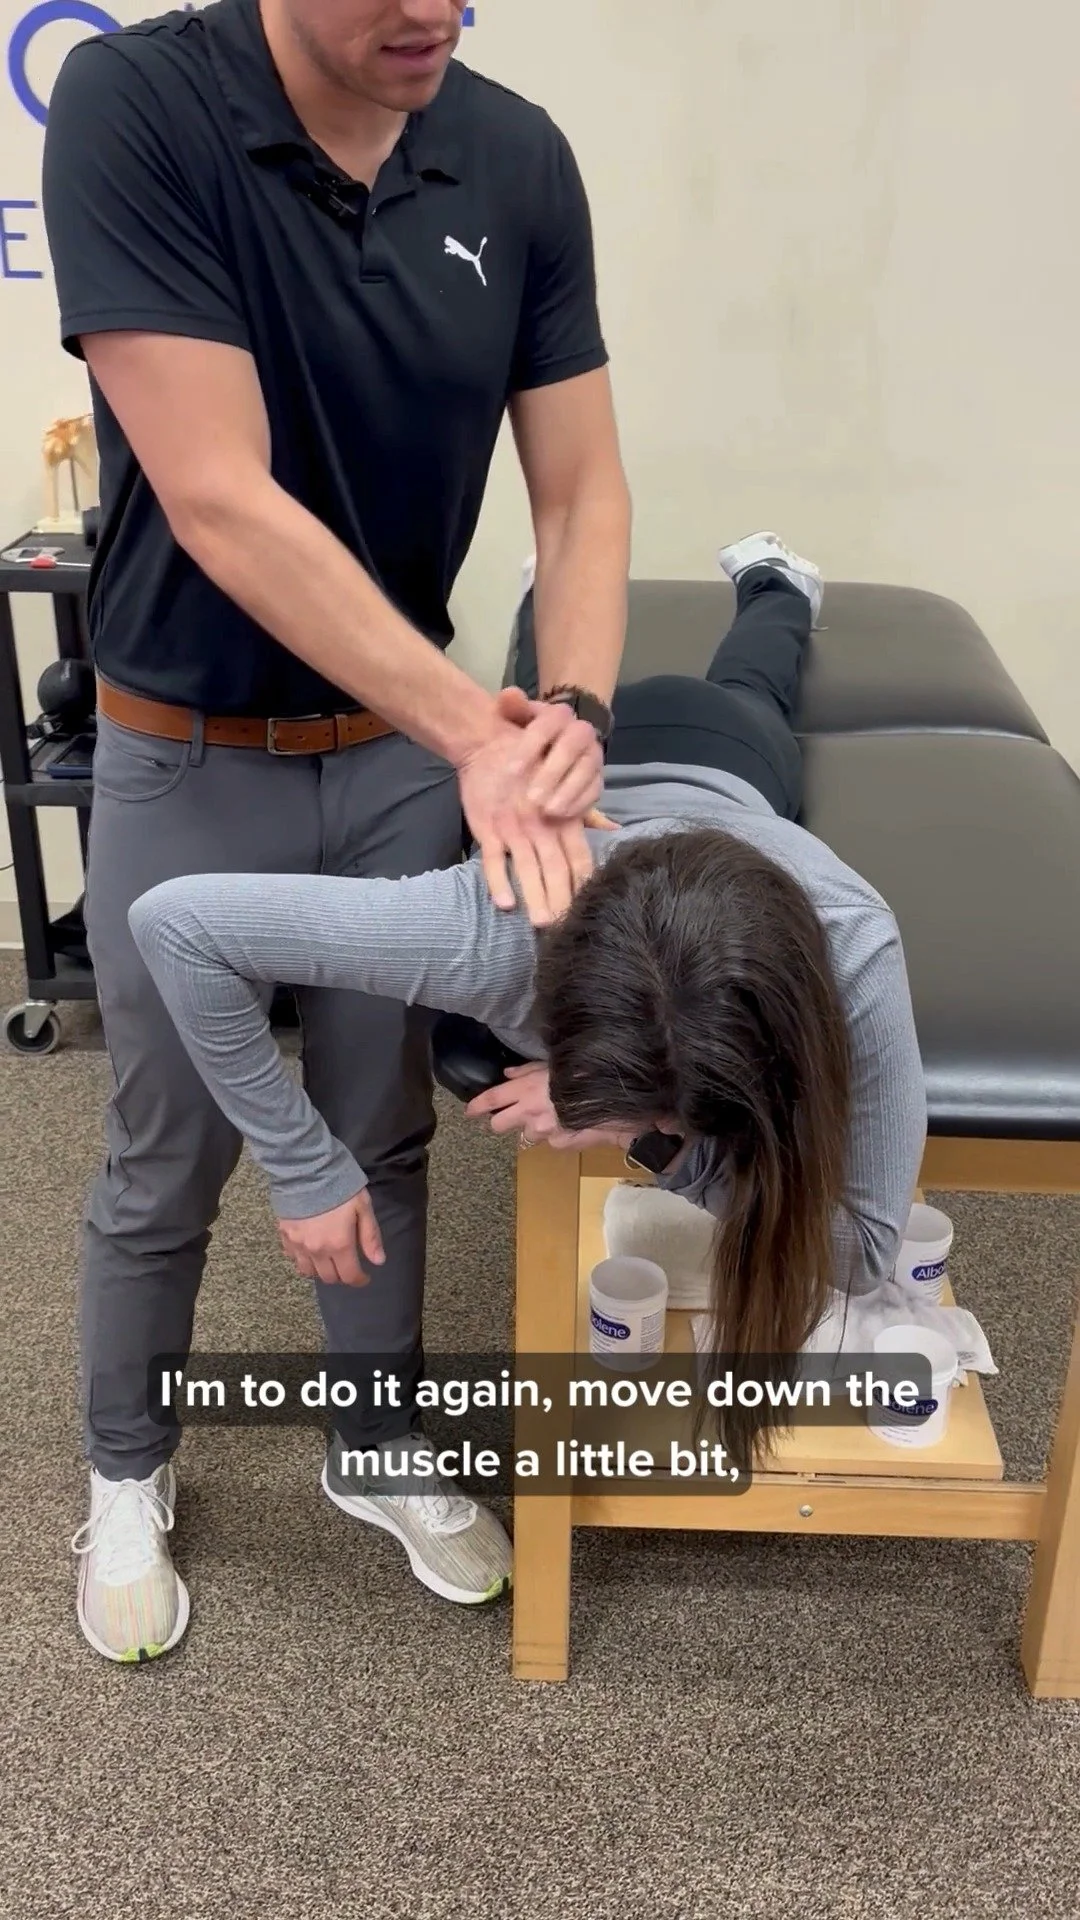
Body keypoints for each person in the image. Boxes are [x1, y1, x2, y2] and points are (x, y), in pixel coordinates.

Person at [43, 0, 631, 1664]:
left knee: (380, 1128)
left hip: (395, 762)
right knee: (171, 1149)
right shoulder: (138, 105)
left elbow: (582, 489)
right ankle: (128, 1470)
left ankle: (376, 1445)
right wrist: (481, 735)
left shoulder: (515, 156)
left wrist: (571, 714)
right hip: (191, 754)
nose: (425, 10)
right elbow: (221, 497)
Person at [127, 533, 928, 1607]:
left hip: (731, 774)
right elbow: (174, 927)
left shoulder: (855, 956)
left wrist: (644, 1134)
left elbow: (864, 1253)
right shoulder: (486, 929)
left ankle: (776, 583)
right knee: (544, 693)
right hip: (588, 778)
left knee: (751, 687)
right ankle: (548, 603)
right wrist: (302, 1163)